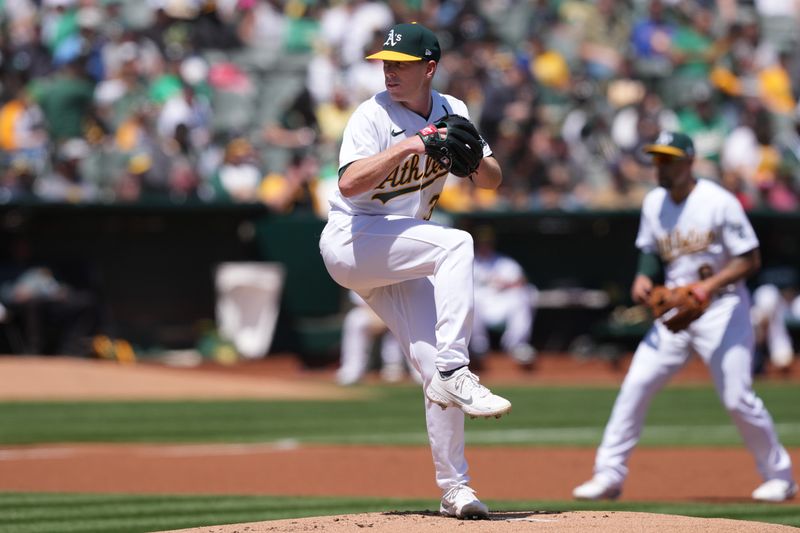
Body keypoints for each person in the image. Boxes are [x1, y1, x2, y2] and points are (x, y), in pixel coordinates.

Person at [318, 22, 511, 520]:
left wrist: (470, 157)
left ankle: (455, 489)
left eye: (400, 64)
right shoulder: (371, 114)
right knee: (457, 244)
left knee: (431, 371)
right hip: (355, 241)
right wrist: (410, 145)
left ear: (429, 68)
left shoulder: (454, 110)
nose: (389, 71)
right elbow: (348, 185)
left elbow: (491, 180)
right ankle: (456, 366)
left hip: (404, 251)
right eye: (385, 62)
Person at [572, 131, 798, 503]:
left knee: (737, 396)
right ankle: (608, 475)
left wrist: (708, 288)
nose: (661, 166)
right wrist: (644, 278)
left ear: (689, 162)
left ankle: (779, 476)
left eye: (669, 159)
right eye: (657, 159)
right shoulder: (654, 202)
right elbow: (649, 250)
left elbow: (750, 259)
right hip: (677, 307)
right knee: (635, 386)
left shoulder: (718, 202)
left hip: (722, 307)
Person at [470, 226, 537, 367]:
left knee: (525, 294)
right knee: (470, 297)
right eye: (482, 242)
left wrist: (506, 284)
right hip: (479, 307)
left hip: (502, 305)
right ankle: (478, 346)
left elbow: (522, 280)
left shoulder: (503, 262)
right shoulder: (468, 261)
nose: (484, 246)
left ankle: (517, 345)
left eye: (487, 242)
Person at [336, 291, 422, 386]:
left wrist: (388, 317)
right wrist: (380, 317)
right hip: (370, 312)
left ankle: (417, 370)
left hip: (401, 311)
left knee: (403, 321)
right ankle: (352, 370)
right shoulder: (362, 276)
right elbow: (361, 302)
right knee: (355, 319)